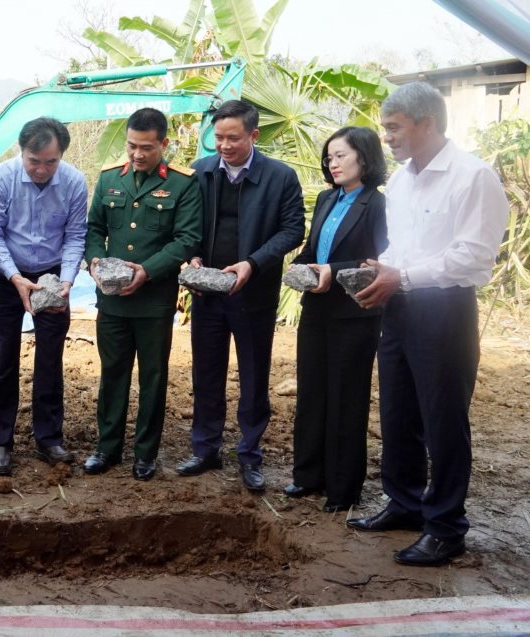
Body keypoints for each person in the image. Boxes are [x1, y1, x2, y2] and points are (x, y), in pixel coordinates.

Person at [349, 82, 508, 566]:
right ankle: (405, 503)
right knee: (398, 412)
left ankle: (445, 526)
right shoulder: (401, 181)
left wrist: (404, 276)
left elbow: (473, 257)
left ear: (428, 124)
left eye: (394, 128)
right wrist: (382, 270)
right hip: (400, 307)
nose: (388, 138)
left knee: (443, 420)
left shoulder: (472, 176)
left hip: (445, 311)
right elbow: (402, 247)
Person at [178, 99, 305, 491]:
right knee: (207, 372)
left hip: (254, 295)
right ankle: (205, 449)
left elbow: (292, 229)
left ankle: (249, 454)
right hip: (208, 294)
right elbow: (183, 225)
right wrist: (192, 256)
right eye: (218, 137)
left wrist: (252, 263)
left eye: (233, 138)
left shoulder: (280, 177)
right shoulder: (198, 173)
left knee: (253, 376)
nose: (224, 145)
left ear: (254, 135)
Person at [82, 107, 202, 481]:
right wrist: (96, 263)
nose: (137, 154)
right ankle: (107, 448)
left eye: (146, 147)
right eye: (132, 145)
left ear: (164, 144)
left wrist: (147, 271)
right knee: (112, 373)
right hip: (113, 299)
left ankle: (145, 454)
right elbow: (93, 230)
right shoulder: (108, 179)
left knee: (152, 377)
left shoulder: (183, 184)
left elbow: (187, 239)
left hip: (153, 301)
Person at [283, 127, 388, 512]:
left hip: (355, 311)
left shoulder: (377, 205)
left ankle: (343, 490)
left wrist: (333, 269)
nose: (333, 163)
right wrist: (298, 267)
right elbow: (313, 248)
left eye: (341, 155)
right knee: (312, 391)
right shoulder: (328, 199)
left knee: (346, 397)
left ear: (365, 156)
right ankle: (308, 476)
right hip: (316, 308)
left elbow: (379, 261)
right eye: (329, 157)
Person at [0, 117, 87, 475]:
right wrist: (15, 277)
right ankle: (1, 441)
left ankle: (48, 438)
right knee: (5, 356)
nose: (42, 169)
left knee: (50, 360)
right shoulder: (0, 179)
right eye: (34, 160)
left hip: (54, 276)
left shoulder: (73, 182)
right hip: (8, 275)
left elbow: (75, 236)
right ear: (21, 151)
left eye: (50, 161)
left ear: (61, 156)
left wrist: (68, 280)